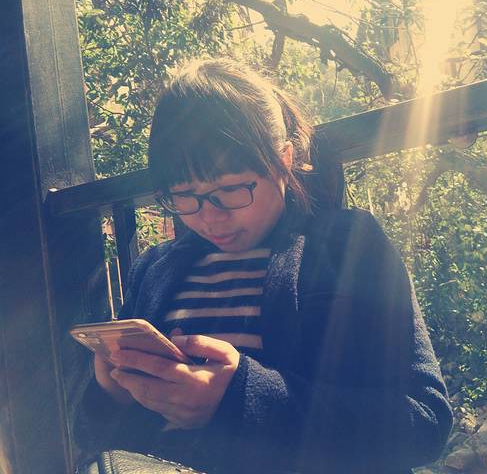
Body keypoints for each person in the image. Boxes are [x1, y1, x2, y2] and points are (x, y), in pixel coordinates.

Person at [74, 57, 452, 474]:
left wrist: (239, 399)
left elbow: (423, 423)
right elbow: (106, 442)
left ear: (284, 159)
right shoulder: (155, 269)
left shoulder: (347, 248)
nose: (209, 217)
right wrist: (112, 393)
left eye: (230, 189)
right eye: (184, 195)